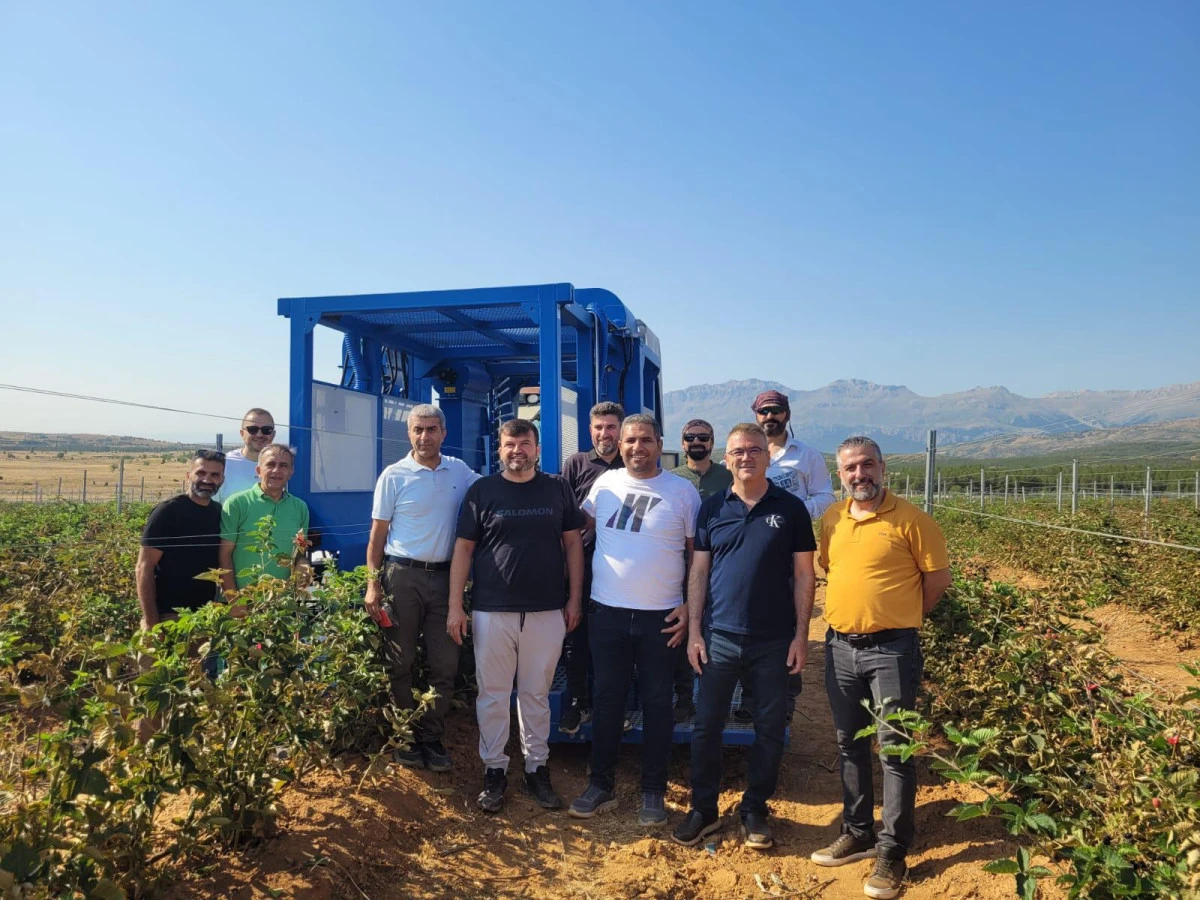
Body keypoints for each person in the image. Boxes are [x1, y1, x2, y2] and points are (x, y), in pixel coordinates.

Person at [810, 436, 950, 900]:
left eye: (867, 465)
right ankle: (858, 831)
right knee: (849, 743)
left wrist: (897, 622)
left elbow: (936, 581)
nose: (859, 474)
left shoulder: (913, 520)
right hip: (839, 649)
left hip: (892, 651)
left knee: (894, 750)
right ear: (840, 474)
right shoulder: (831, 520)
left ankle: (893, 849)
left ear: (883, 468)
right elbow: (829, 568)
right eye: (849, 468)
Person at [672, 423, 815, 850]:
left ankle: (755, 809)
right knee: (707, 727)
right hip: (718, 636)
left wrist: (801, 635)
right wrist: (695, 631)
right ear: (727, 458)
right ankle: (705, 809)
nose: (746, 457)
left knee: (769, 729)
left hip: (773, 640)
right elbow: (698, 571)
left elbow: (805, 575)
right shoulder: (711, 508)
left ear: (767, 457)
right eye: (738, 451)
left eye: (755, 450)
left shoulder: (789, 509)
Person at [568, 414, 699, 828]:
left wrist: (691, 607)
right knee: (607, 701)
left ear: (660, 444)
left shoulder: (683, 492)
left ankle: (653, 790)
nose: (636, 447)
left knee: (658, 704)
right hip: (606, 613)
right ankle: (600, 784)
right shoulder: (603, 485)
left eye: (645, 440)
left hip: (661, 617)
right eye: (629, 440)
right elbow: (578, 532)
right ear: (619, 445)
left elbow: (699, 556)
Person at [447, 419, 584, 813]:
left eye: (525, 443)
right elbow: (463, 551)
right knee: (491, 694)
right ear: (500, 449)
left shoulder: (557, 488)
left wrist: (574, 599)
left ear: (538, 450)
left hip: (547, 610)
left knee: (535, 695)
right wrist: (457, 605)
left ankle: (536, 768)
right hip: (492, 611)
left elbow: (573, 545)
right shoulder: (482, 491)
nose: (517, 450)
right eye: (510, 444)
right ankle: (494, 770)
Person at [364, 404, 479, 773]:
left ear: (443, 433)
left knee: (445, 663)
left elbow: (496, 489)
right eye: (418, 430)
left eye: (432, 429)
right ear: (408, 433)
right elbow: (377, 537)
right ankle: (404, 738)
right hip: (402, 577)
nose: (425, 436)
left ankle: (431, 736)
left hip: (447, 580)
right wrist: (372, 585)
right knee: (400, 661)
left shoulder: (459, 472)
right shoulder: (393, 476)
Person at [557, 401, 625, 734]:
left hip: (621, 567)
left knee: (613, 639)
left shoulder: (634, 464)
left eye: (611, 427)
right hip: (582, 562)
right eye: (598, 427)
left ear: (621, 429)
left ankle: (614, 706)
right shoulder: (576, 464)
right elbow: (564, 513)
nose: (604, 434)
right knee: (576, 633)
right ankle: (576, 702)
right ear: (590, 430)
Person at [668, 417, 732, 722]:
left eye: (703, 437)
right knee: (682, 632)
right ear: (682, 444)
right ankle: (683, 696)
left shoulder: (729, 478)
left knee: (715, 632)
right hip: (680, 570)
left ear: (712, 442)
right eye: (691, 437)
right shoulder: (671, 479)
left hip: (721, 569)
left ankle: (712, 698)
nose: (697, 442)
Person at [138, 449, 228, 630]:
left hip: (202, 617)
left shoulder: (219, 512)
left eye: (214, 475)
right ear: (189, 475)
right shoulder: (168, 511)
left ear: (222, 480)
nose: (207, 480)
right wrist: (151, 621)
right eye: (201, 473)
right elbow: (144, 567)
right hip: (166, 616)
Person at [218, 444, 311, 595]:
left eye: (283, 465)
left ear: (291, 472)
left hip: (282, 603)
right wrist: (233, 600)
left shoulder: (300, 507)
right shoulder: (237, 504)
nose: (276, 470)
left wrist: (303, 565)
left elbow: (299, 551)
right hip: (243, 600)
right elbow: (224, 554)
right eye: (270, 464)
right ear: (259, 470)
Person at [751, 390, 835, 520]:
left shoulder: (808, 455)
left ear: (787, 415)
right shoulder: (743, 456)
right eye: (763, 411)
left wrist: (794, 511)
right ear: (756, 416)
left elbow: (826, 498)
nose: (769, 416)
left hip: (793, 535)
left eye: (776, 410)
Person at [215, 408, 276, 502]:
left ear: (273, 434)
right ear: (242, 433)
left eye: (266, 430)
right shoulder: (224, 464)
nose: (259, 435)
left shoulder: (283, 466)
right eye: (253, 429)